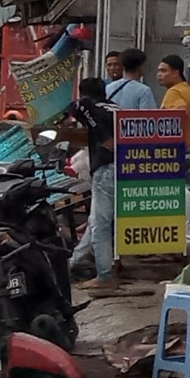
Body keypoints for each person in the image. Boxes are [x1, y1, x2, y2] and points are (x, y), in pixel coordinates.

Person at [64, 77, 120, 293]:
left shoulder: (88, 104)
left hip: (106, 168)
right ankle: (75, 262)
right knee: (97, 219)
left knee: (101, 225)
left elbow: (74, 107)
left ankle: (105, 276)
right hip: (125, 168)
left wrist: (100, 135)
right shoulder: (115, 107)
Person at [153, 54, 190, 146]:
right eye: (158, 71)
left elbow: (180, 111)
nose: (159, 74)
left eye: (163, 71)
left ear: (176, 73)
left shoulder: (173, 92)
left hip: (178, 150)